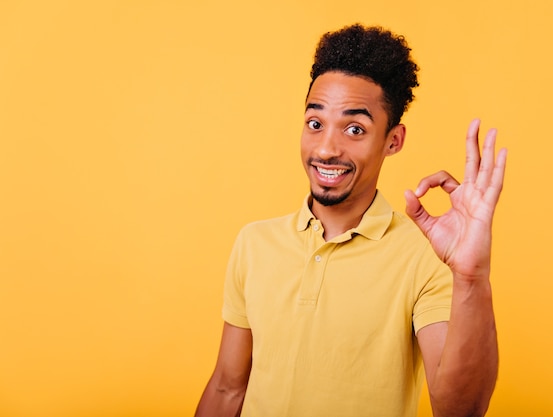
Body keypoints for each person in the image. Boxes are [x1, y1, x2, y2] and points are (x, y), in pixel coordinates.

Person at [195, 23, 506, 417]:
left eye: (355, 128)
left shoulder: (427, 255)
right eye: (315, 123)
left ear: (393, 141)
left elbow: (461, 410)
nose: (326, 148)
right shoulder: (254, 244)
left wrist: (471, 276)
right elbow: (226, 388)